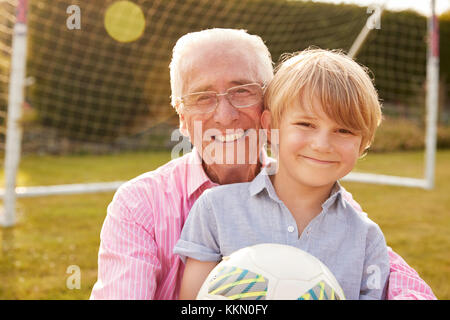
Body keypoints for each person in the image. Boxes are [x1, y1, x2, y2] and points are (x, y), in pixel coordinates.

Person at [90, 28, 436, 300]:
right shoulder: (140, 205)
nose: (224, 116)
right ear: (181, 117)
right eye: (201, 97)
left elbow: (396, 282)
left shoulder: (332, 203)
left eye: (242, 91)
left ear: (268, 105)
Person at [174, 48, 390, 299]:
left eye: (344, 131)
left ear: (364, 142)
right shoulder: (215, 211)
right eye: (306, 124)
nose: (322, 144)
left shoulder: (366, 238)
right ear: (270, 126)